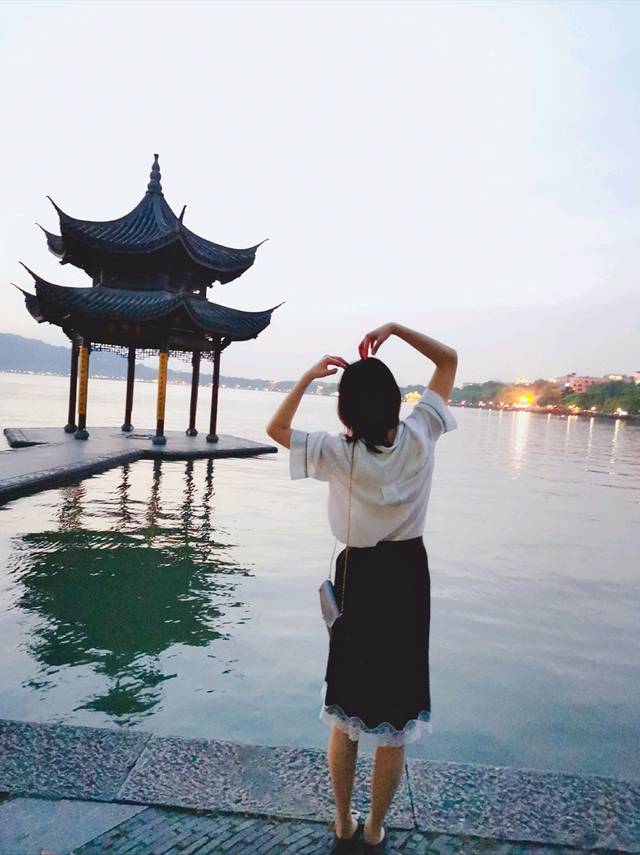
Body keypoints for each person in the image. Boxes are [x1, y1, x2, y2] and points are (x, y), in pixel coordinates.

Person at [266, 322, 458, 853]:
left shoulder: (338, 453)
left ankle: (343, 821)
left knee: (345, 714)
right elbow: (448, 360)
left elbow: (277, 428)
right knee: (396, 720)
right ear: (397, 400)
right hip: (408, 579)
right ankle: (375, 828)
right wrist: (395, 329)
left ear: (345, 414)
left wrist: (308, 377)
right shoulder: (422, 433)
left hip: (360, 577)